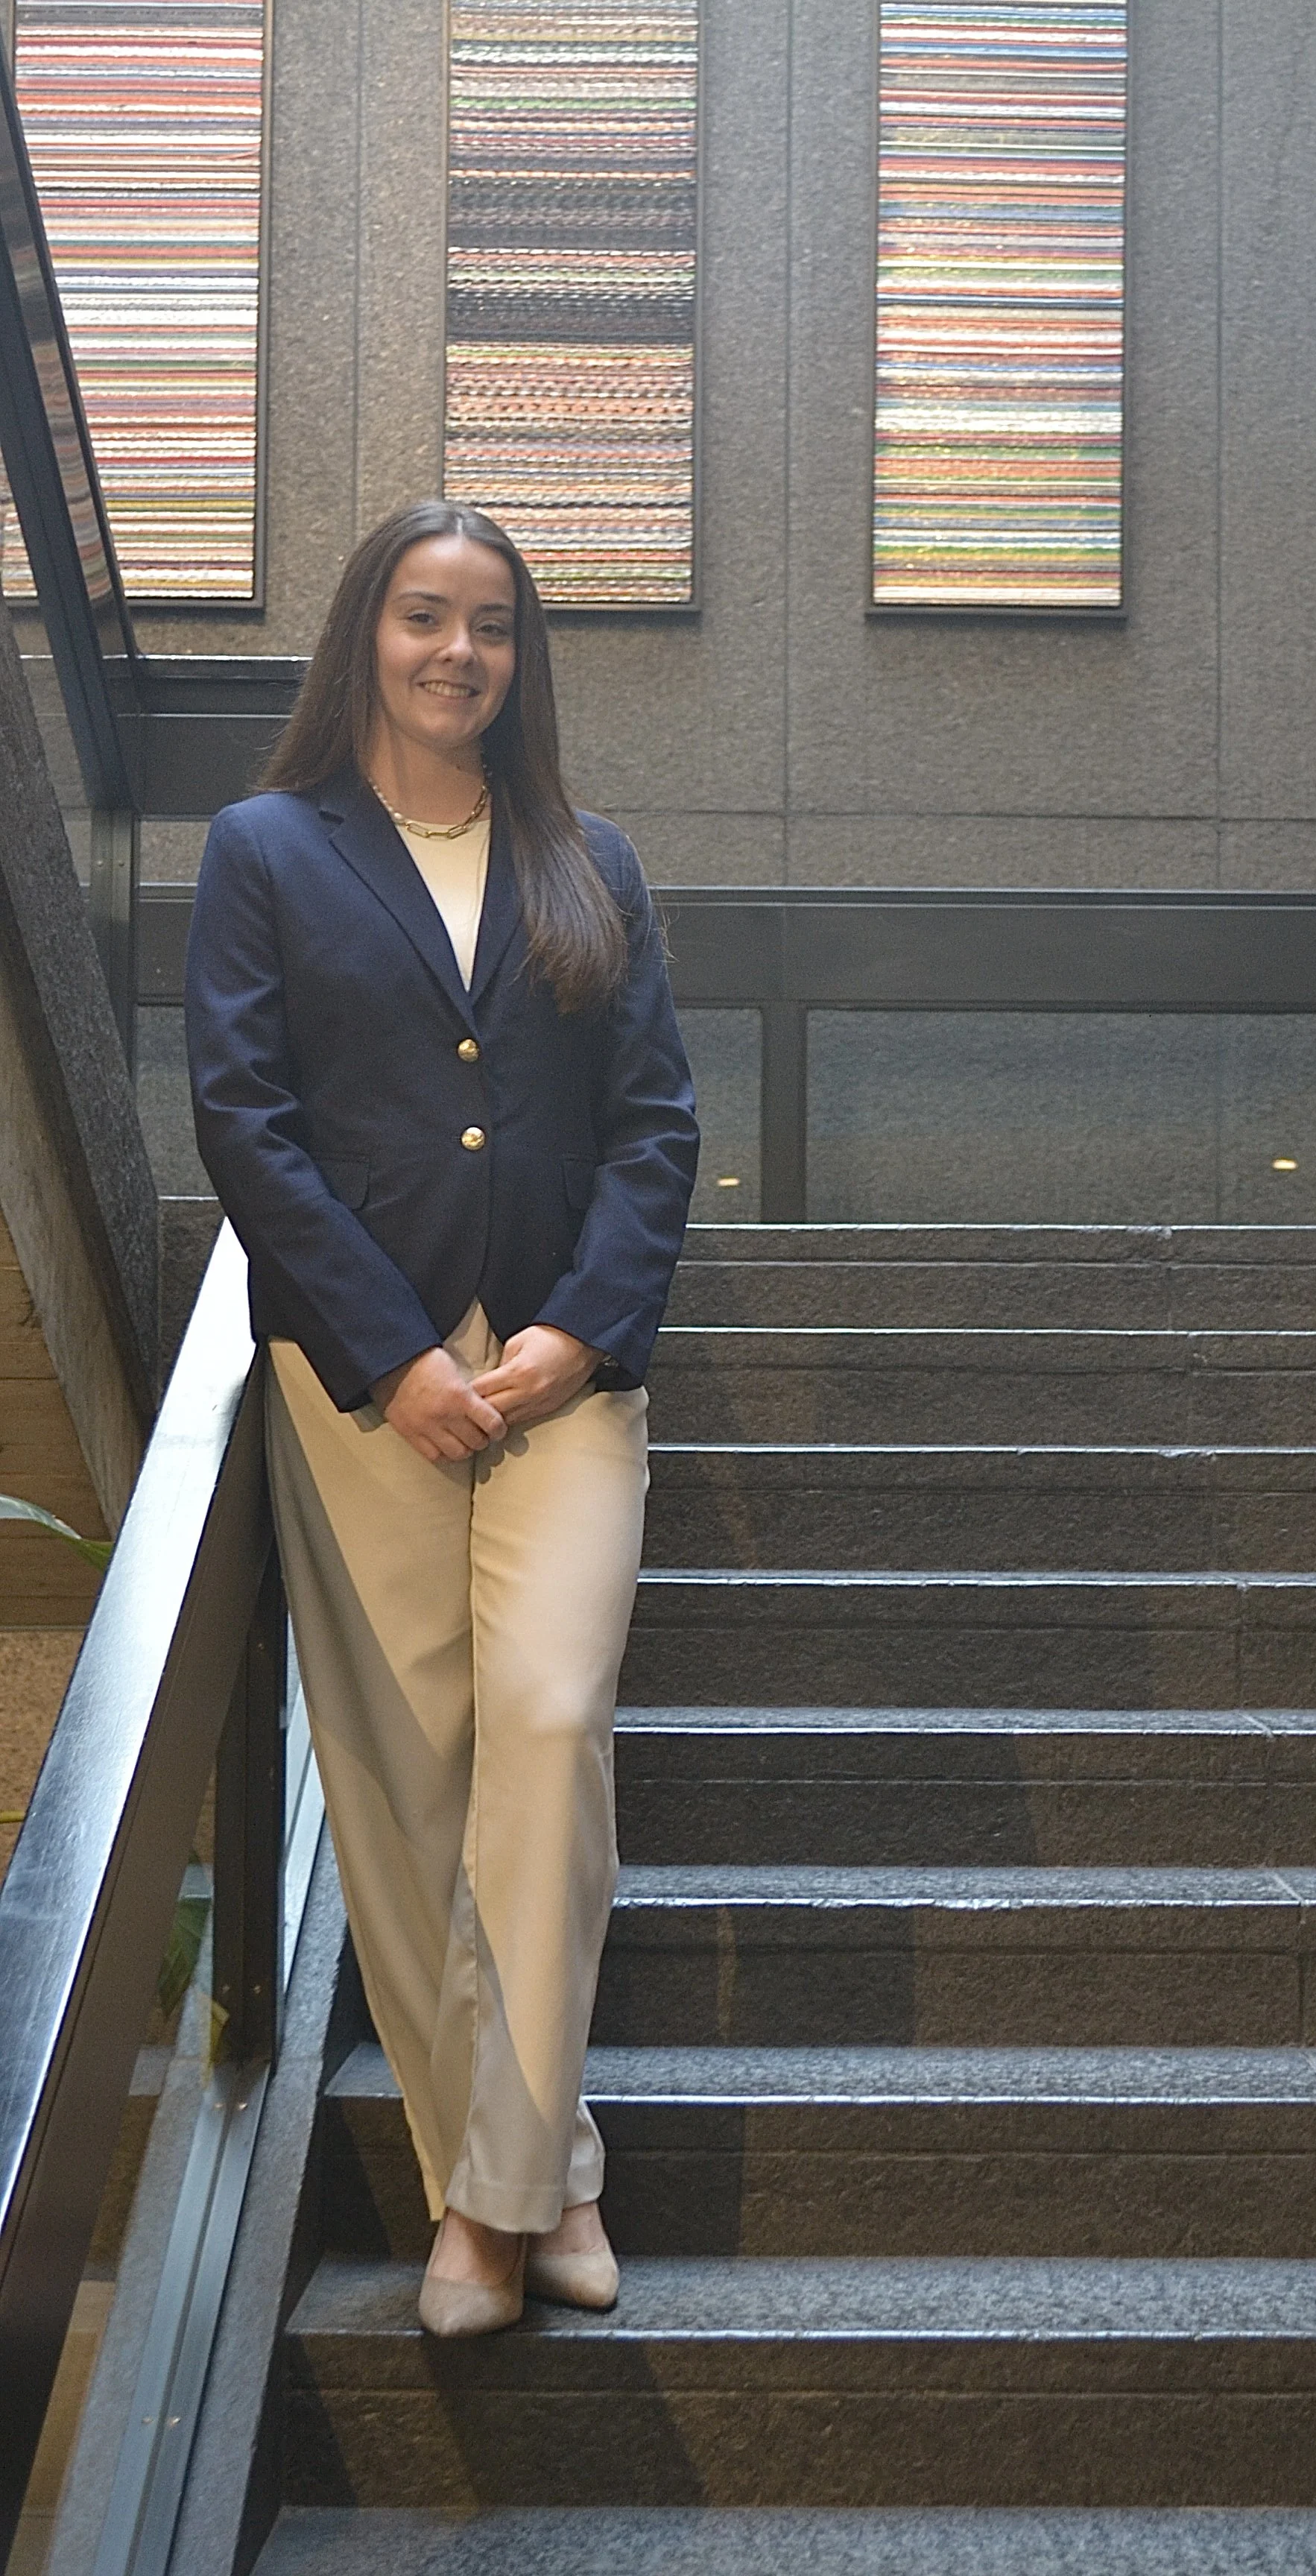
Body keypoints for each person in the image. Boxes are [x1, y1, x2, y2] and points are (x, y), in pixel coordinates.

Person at [184, 497, 698, 2337]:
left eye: (490, 624)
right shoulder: (265, 849)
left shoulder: (593, 863)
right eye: (423, 616)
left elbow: (658, 1129)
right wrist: (393, 1351)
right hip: (367, 1385)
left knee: (548, 1725)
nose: (455, 651)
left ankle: (488, 2201)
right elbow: (249, 1120)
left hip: (559, 1375)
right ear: (366, 638)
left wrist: (573, 1334)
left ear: (521, 659)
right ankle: (534, 2185)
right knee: (410, 1787)